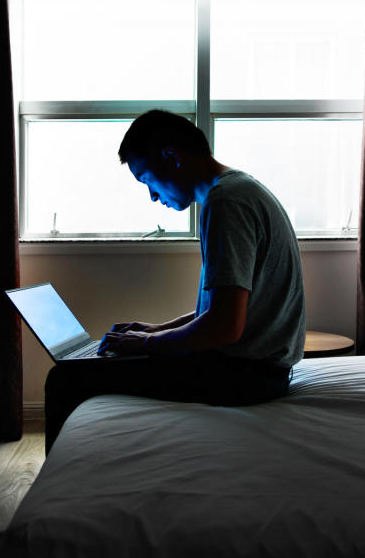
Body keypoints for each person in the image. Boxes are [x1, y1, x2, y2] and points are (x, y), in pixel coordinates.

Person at [43, 109, 307, 453]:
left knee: (66, 378)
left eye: (147, 180)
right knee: (110, 358)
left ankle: (64, 491)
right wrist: (155, 330)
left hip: (244, 377)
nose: (152, 196)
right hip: (259, 371)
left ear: (171, 157)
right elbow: (221, 310)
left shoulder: (226, 202)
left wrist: (149, 345)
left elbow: (225, 327)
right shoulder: (241, 190)